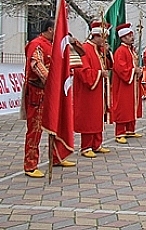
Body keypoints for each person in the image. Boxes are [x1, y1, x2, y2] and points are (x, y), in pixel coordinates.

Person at [22, 18, 76, 177]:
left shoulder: (55, 45)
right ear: (51, 29)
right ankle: (30, 165)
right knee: (35, 129)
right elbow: (36, 65)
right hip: (38, 93)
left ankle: (57, 156)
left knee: (57, 124)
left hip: (53, 92)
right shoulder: (36, 44)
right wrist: (52, 81)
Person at [73, 21, 112, 158]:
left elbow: (108, 65)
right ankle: (86, 146)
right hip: (88, 90)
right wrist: (99, 74)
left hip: (99, 89)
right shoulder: (85, 49)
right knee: (89, 117)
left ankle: (97, 143)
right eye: (103, 37)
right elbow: (82, 70)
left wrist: (107, 55)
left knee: (98, 116)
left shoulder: (99, 50)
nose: (104, 40)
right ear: (96, 36)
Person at [111, 23, 144, 144]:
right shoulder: (121, 51)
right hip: (124, 84)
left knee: (131, 106)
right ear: (123, 37)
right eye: (129, 35)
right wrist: (133, 71)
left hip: (132, 83)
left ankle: (130, 129)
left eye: (132, 35)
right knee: (123, 107)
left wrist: (138, 71)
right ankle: (119, 133)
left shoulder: (131, 51)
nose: (132, 37)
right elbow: (120, 68)